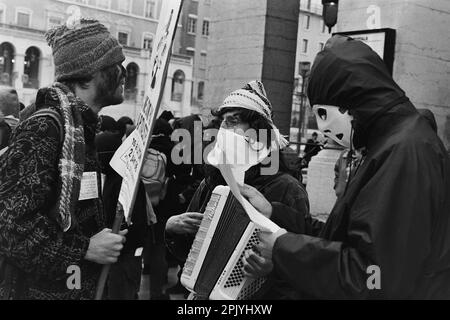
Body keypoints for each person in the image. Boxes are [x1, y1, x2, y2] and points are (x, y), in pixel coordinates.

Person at [240, 36, 450, 299]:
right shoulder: (390, 146)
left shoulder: (404, 153)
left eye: (323, 114)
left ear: (350, 102)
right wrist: (275, 213)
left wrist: (282, 248)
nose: (323, 128)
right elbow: (342, 237)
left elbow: (373, 276)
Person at [0, 19, 129, 299]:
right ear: (88, 73)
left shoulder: (80, 130)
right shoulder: (46, 127)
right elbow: (11, 225)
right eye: (116, 64)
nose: (124, 73)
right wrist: (85, 250)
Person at [165, 80, 310, 299]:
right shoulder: (210, 183)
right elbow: (189, 255)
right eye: (222, 123)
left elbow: (303, 265)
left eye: (234, 122)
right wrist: (173, 230)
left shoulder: (287, 189)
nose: (224, 130)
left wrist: (271, 269)